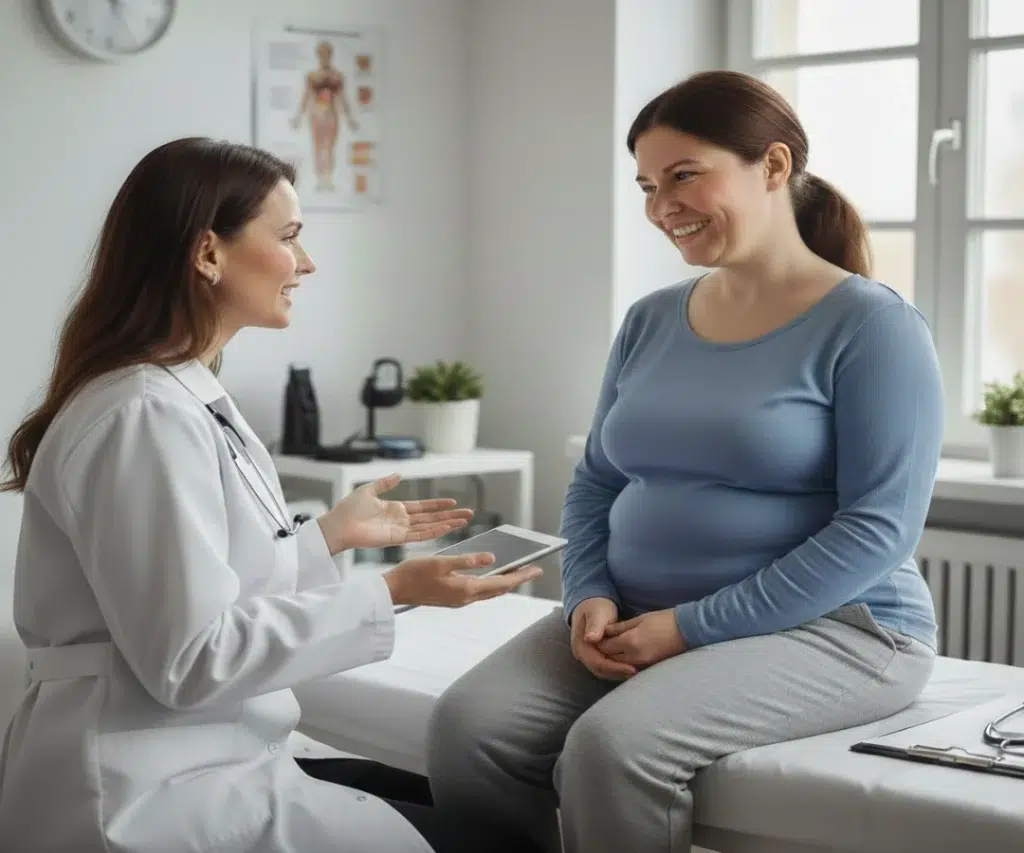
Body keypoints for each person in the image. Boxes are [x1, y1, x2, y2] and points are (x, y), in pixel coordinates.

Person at [426, 70, 944, 853]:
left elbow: (878, 530)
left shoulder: (873, 326)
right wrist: (588, 592)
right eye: (645, 184)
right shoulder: (650, 319)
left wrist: (691, 627)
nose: (660, 205)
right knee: (466, 727)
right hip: (639, 613)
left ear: (772, 167)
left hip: (841, 630)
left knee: (613, 747)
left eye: (683, 176)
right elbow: (599, 478)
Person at [0, 137, 544, 853]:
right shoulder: (143, 415)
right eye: (288, 237)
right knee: (502, 836)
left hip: (207, 753)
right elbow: (192, 659)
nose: (306, 263)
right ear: (207, 255)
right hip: (145, 788)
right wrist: (390, 591)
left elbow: (210, 585)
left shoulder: (180, 394)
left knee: (488, 812)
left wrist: (329, 538)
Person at [291, 40, 357, 192]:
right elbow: (306, 97)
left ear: (331, 55)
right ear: (318, 55)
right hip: (316, 116)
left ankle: (328, 179)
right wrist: (298, 118)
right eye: (322, 54)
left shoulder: (337, 76)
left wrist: (350, 119)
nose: (324, 57)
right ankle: (320, 180)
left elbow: (342, 99)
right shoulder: (312, 76)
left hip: (331, 115)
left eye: (327, 53)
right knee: (318, 147)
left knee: (329, 148)